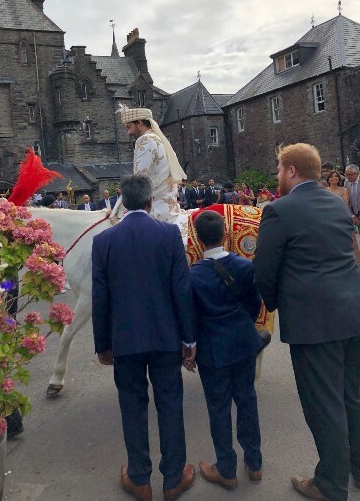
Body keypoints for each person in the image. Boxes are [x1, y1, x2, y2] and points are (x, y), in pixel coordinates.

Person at [254, 143, 360, 501]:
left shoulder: (278, 209)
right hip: (354, 311)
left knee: (324, 402)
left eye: (279, 169)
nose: (277, 176)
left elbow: (264, 270)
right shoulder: (336, 203)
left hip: (315, 321)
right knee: (354, 394)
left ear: (292, 171)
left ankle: (330, 484)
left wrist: (275, 304)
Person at [92, 174, 196, 501]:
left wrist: (102, 345)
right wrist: (189, 340)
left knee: (132, 405)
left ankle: (139, 478)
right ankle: (173, 477)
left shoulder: (104, 241)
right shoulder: (168, 235)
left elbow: (101, 297)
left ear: (123, 202)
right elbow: (182, 291)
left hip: (124, 340)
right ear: (151, 202)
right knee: (170, 404)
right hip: (166, 337)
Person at [189, 210, 263, 491]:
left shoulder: (193, 275)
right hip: (243, 344)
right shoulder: (245, 266)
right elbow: (254, 305)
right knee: (247, 400)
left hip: (212, 350)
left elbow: (191, 316)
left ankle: (226, 468)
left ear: (198, 239)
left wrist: (190, 347)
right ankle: (254, 463)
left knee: (218, 408)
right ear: (226, 235)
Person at [117, 104, 188, 241]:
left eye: (129, 127)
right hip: (167, 204)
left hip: (155, 209)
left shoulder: (145, 140)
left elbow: (137, 181)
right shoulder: (158, 138)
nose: (128, 133)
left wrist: (117, 210)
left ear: (139, 122)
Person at [326, 170, 360, 270]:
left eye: (336, 176)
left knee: (352, 244)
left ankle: (359, 268)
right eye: (332, 177)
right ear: (328, 179)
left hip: (343, 219)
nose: (334, 178)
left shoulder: (344, 190)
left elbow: (345, 205)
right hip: (329, 222)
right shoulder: (325, 191)